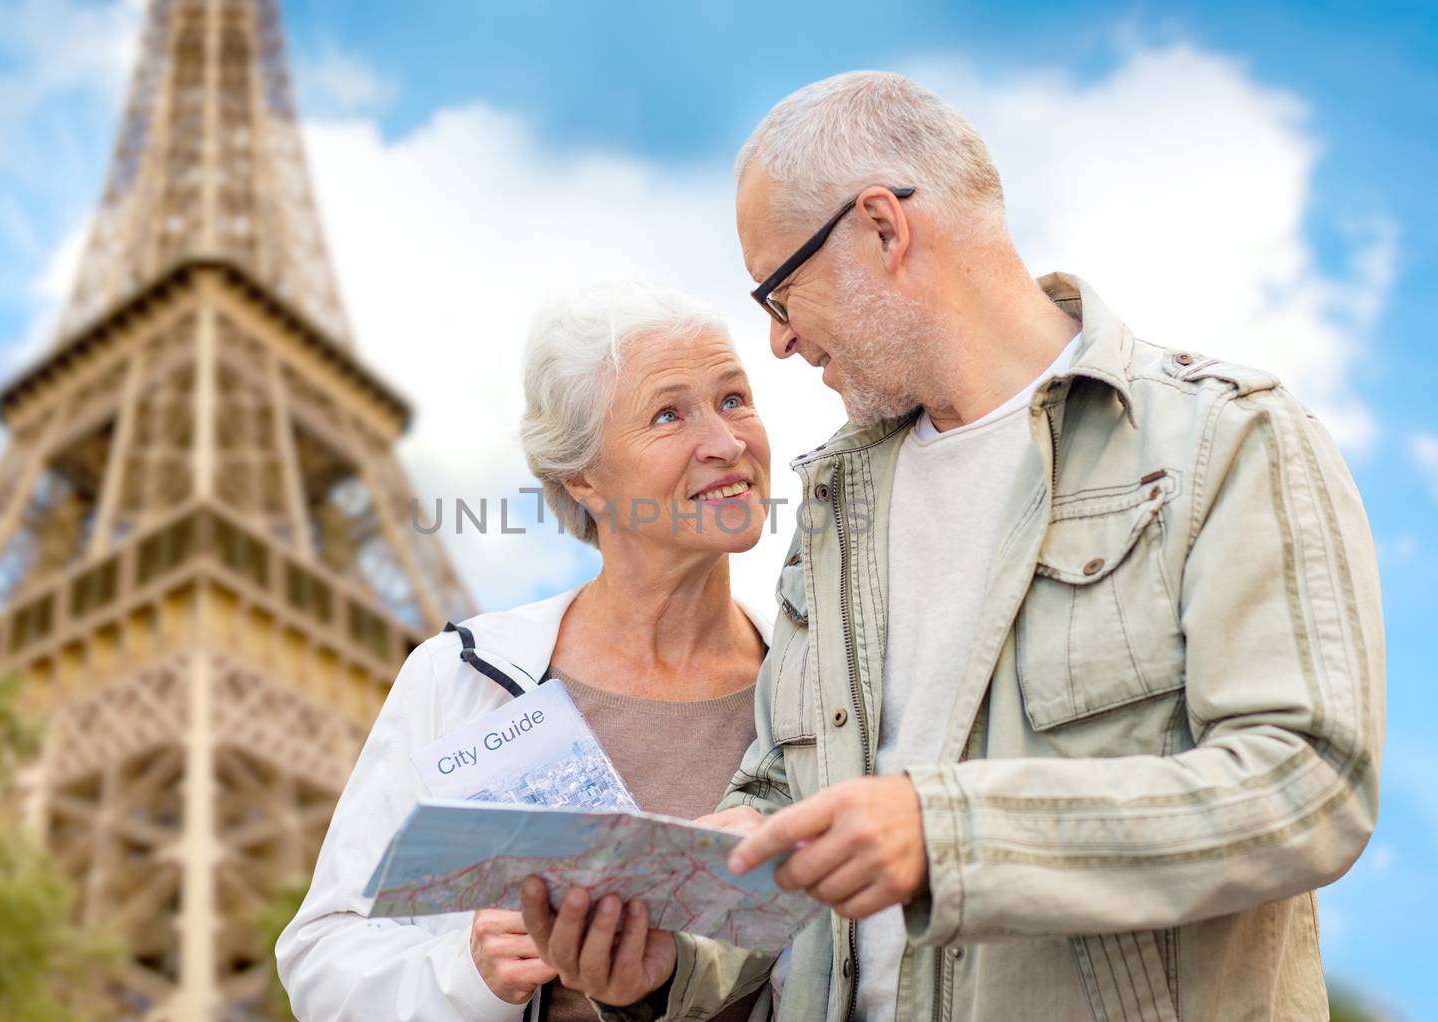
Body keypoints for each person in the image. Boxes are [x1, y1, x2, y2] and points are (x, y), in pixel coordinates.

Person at [523, 71, 1385, 1021]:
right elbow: (781, 804)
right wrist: (665, 963)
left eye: (778, 289)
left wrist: (950, 834)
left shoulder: (1228, 440)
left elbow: (1310, 783)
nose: (777, 343)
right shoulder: (835, 505)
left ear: (883, 229)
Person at [275, 281, 778, 1022]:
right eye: (669, 413)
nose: (726, 442)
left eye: (734, 399)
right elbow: (321, 959)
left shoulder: (815, 687)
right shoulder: (457, 679)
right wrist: (473, 975)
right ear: (584, 479)